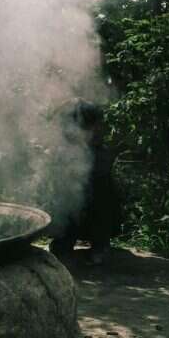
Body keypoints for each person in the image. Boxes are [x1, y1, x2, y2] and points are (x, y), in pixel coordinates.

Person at [52, 99, 119, 265]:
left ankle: (100, 245)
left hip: (98, 211)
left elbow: (104, 199)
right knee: (66, 198)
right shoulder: (67, 150)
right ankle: (66, 239)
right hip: (74, 208)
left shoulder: (99, 155)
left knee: (96, 197)